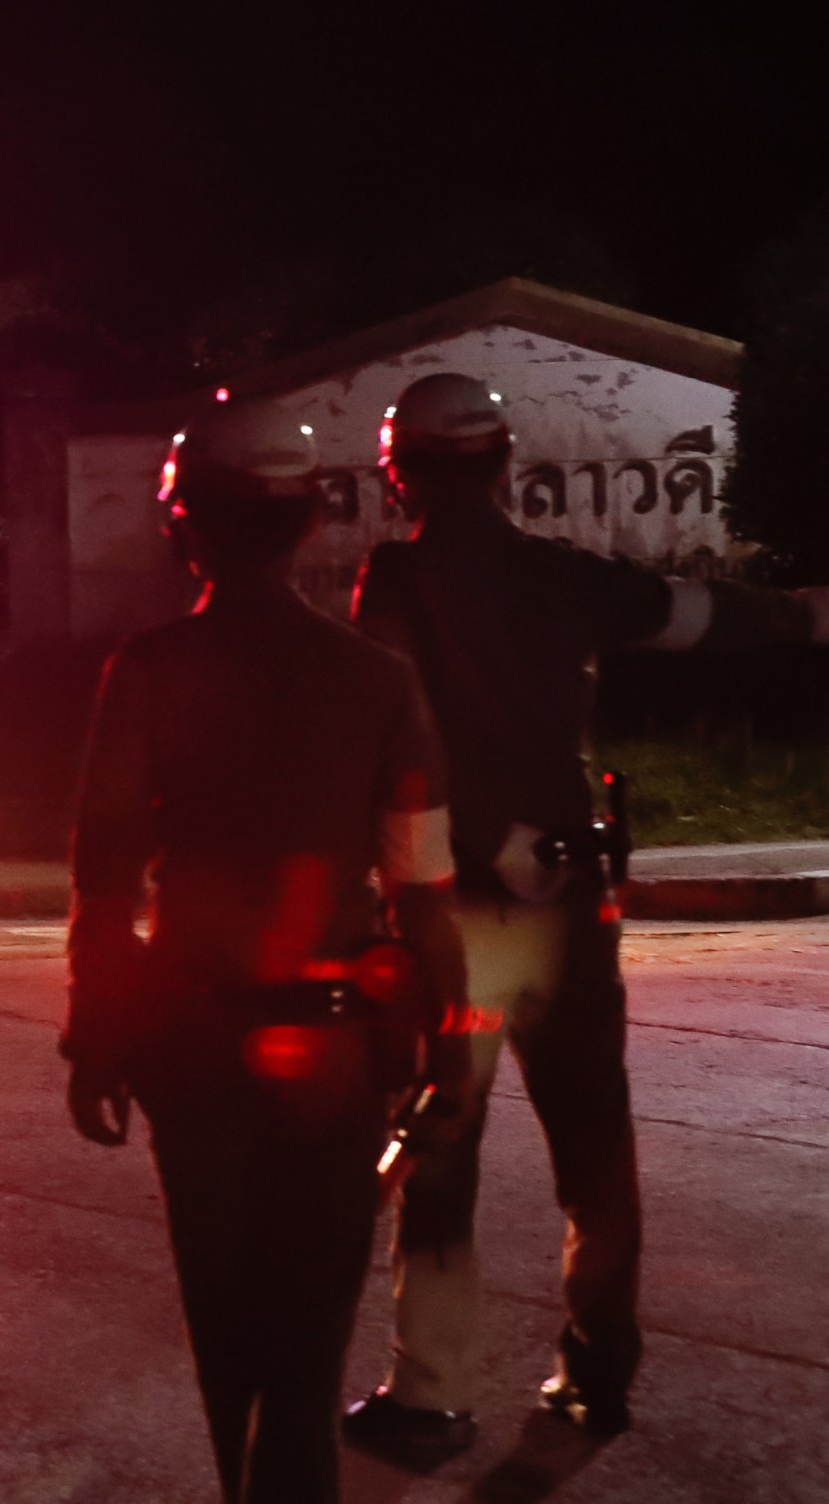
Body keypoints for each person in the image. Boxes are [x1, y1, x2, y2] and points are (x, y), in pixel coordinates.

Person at [343, 372, 828, 1464]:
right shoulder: (560, 576)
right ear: (506, 464)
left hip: (456, 916)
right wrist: (806, 613)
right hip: (571, 907)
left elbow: (396, 734)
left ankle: (432, 1395)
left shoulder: (396, 581)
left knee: (440, 1155)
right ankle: (597, 1372)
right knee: (593, 1144)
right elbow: (689, 614)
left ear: (399, 473)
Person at [65, 397, 471, 1504]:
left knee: (226, 1335)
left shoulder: (149, 672)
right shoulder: (376, 680)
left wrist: (93, 1041)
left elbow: (104, 886)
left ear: (182, 526)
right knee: (307, 1349)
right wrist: (450, 1048)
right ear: (306, 522)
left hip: (192, 1040)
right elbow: (423, 889)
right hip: (338, 1052)